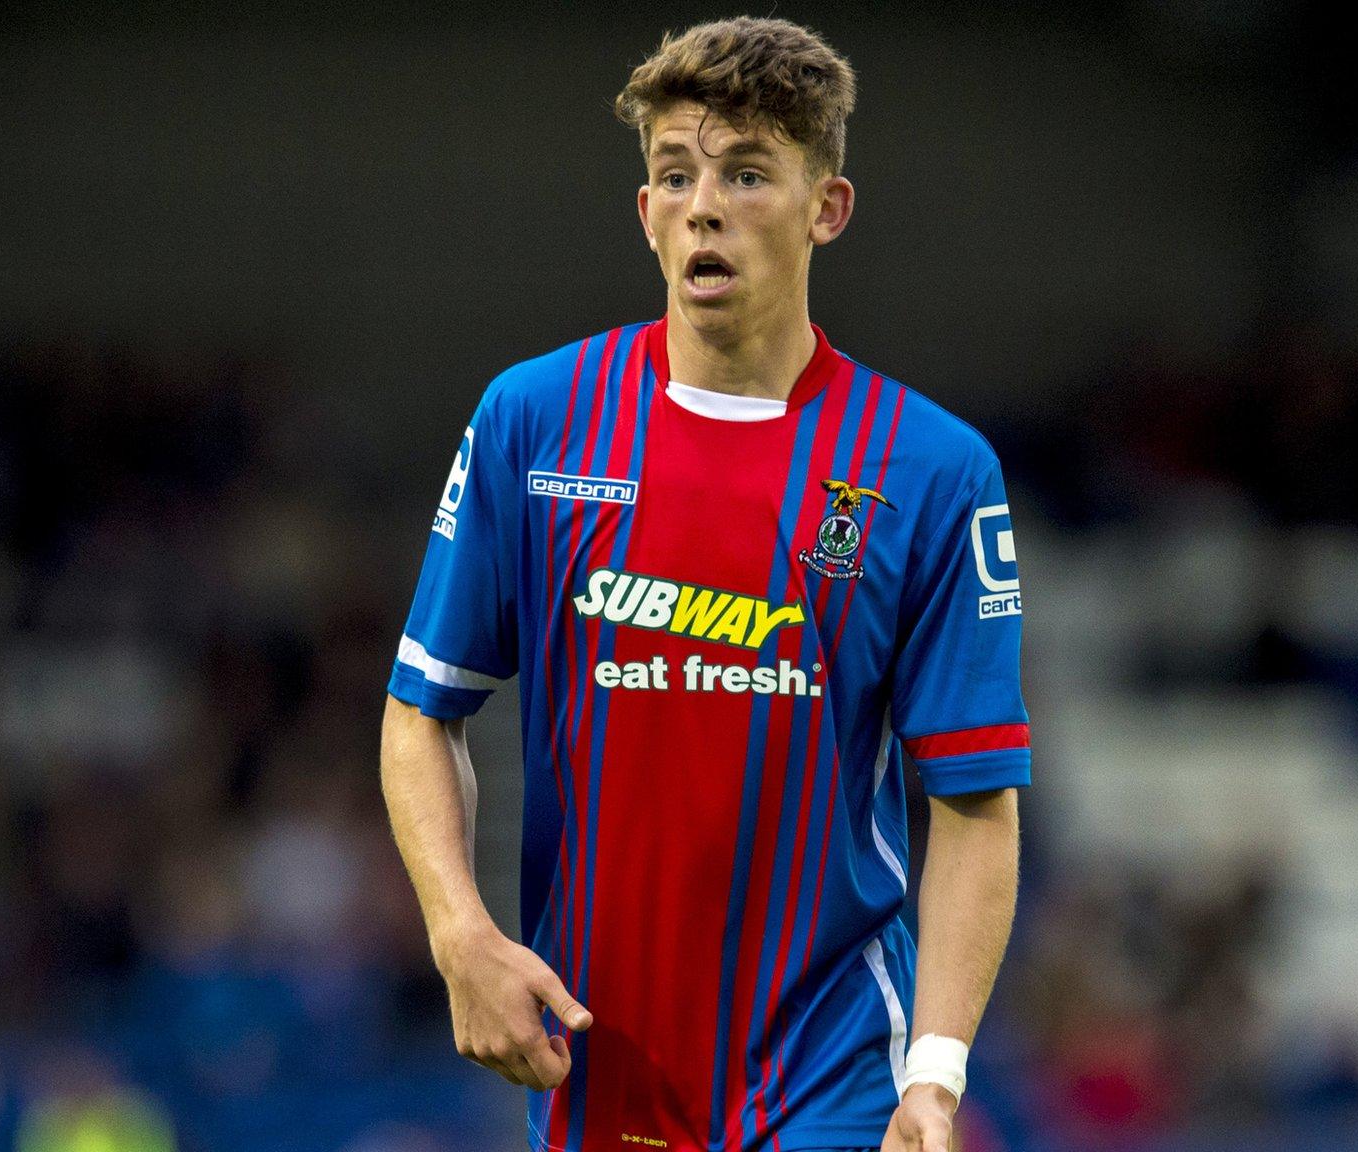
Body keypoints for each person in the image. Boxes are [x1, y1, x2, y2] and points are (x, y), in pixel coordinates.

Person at [378, 17, 1028, 1152]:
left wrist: (933, 1071)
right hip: (598, 1057)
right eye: (673, 175)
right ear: (644, 214)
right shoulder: (534, 422)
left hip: (833, 1075)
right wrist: (457, 933)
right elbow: (419, 709)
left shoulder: (931, 469)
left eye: (744, 174)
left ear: (826, 207)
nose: (702, 204)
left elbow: (972, 800)